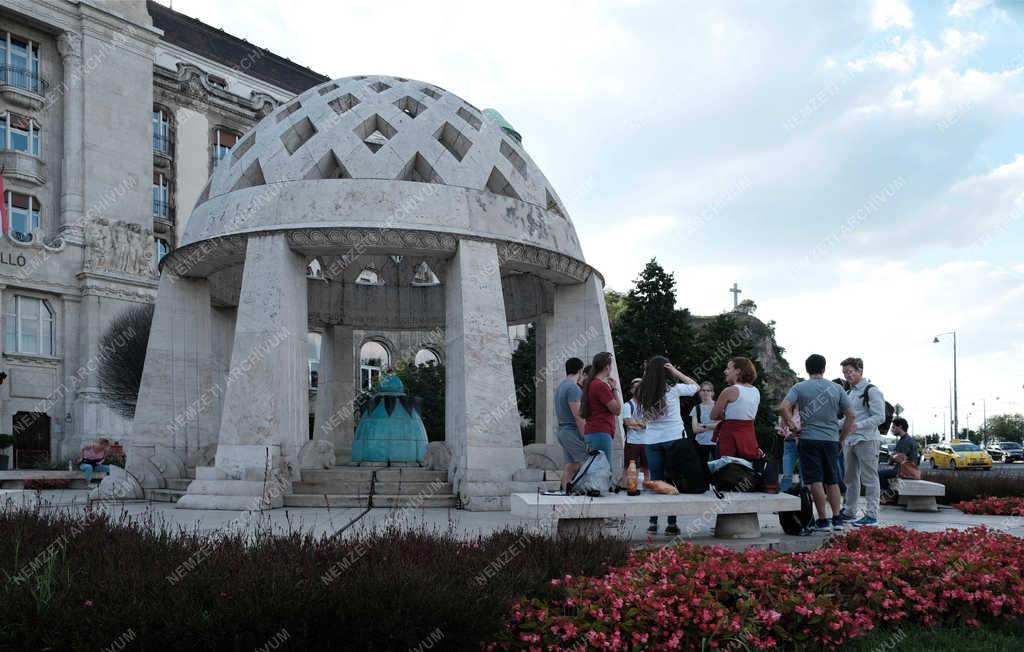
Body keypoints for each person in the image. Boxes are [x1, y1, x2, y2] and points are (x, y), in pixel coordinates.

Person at [778, 354, 856, 534]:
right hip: (831, 440)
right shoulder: (836, 388)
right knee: (833, 479)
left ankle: (823, 520)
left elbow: (783, 407)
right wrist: (842, 437)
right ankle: (837, 518)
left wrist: (792, 425)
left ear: (807, 369)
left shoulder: (800, 387)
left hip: (808, 438)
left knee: (815, 480)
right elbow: (851, 414)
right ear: (824, 368)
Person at [635, 356, 701, 535]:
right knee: (672, 480)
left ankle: (653, 522)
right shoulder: (673, 389)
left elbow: (643, 418)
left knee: (656, 480)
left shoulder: (642, 390)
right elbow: (696, 387)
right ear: (667, 370)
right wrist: (676, 372)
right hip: (674, 438)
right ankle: (672, 523)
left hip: (652, 440)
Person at [836, 357, 886, 527]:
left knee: (870, 478)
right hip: (850, 441)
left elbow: (880, 417)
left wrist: (859, 425)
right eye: (844, 373)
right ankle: (849, 511)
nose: (847, 376)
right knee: (850, 478)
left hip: (867, 440)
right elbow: (846, 419)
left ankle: (871, 515)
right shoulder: (849, 393)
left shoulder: (871, 390)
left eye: (849, 372)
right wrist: (831, 424)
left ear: (860, 371)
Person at [710, 357, 761, 461]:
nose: (725, 371)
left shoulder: (729, 391)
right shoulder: (756, 391)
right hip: (748, 438)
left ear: (738, 371)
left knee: (726, 472)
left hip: (730, 438)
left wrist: (723, 415)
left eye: (728, 368)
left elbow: (713, 416)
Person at [579, 352, 620, 466]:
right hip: (601, 432)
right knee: (604, 471)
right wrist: (614, 389)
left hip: (591, 432)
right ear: (607, 367)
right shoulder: (600, 386)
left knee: (595, 471)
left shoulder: (590, 384)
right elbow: (617, 410)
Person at [554, 357, 588, 492]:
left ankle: (564, 493)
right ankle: (583, 493)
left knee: (571, 465)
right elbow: (578, 416)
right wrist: (586, 436)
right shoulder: (573, 388)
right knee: (587, 462)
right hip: (571, 431)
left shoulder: (561, 386)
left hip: (562, 430)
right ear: (580, 371)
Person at [878, 417, 918, 500]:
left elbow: (899, 458)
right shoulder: (905, 439)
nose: (892, 429)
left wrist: (892, 457)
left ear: (900, 427)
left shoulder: (906, 441)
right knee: (883, 472)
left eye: (894, 427)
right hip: (904, 468)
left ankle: (888, 494)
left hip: (906, 470)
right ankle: (889, 494)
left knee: (879, 474)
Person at [621, 378, 648, 476]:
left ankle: (647, 488)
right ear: (631, 390)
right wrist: (642, 424)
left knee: (647, 468)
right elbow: (627, 422)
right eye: (636, 388)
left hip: (647, 441)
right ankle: (628, 488)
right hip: (633, 442)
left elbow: (650, 422)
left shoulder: (647, 405)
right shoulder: (627, 405)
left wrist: (636, 423)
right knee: (630, 468)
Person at [689, 381, 720, 464]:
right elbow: (695, 429)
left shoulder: (718, 406)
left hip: (716, 443)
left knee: (719, 470)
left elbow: (721, 425)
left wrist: (704, 425)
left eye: (708, 390)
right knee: (703, 470)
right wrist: (713, 426)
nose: (705, 392)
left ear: (712, 393)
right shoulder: (696, 408)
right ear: (700, 392)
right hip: (700, 443)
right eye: (703, 390)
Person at [775, 404, 801, 492]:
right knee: (787, 474)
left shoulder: (807, 408)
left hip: (803, 443)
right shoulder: (787, 410)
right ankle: (784, 495)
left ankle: (805, 497)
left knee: (804, 474)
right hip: (789, 443)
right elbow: (781, 429)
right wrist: (782, 429)